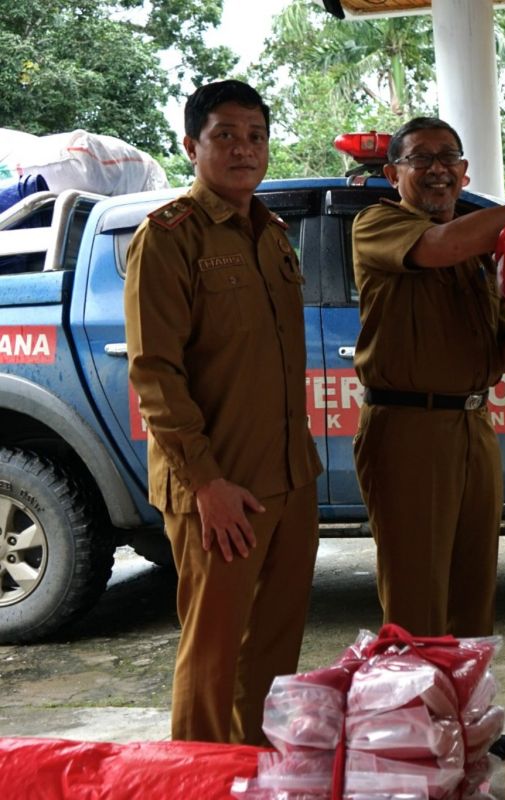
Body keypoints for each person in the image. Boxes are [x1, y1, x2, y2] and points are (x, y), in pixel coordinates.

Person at [124, 80, 322, 745]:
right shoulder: (169, 238)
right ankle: (195, 783)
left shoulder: (271, 234)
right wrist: (204, 483)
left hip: (289, 481)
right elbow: (155, 374)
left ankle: (255, 775)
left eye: (256, 136)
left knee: (273, 655)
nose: (245, 150)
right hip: (221, 487)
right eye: (226, 136)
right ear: (192, 145)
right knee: (212, 658)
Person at [352, 117, 505, 638]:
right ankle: (415, 715)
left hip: (473, 425)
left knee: (473, 595)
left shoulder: (481, 252)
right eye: (421, 159)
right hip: (407, 431)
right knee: (416, 600)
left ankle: (464, 714)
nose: (437, 169)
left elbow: (493, 359)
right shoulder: (379, 223)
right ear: (394, 173)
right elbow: (439, 246)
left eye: (448, 159)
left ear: (464, 173)